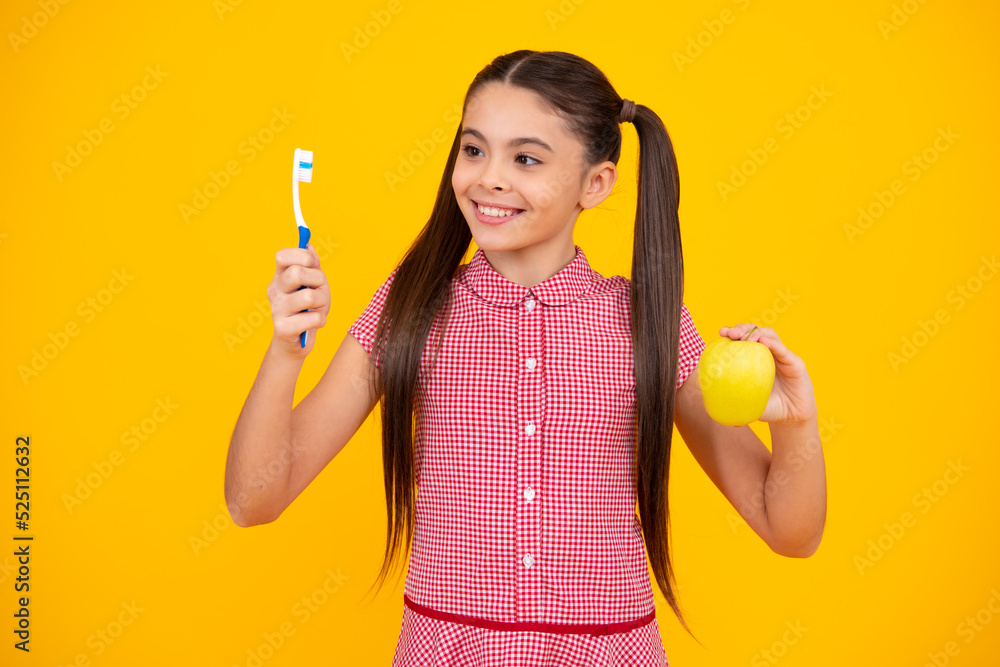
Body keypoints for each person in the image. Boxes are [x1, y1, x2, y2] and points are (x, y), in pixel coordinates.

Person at [225, 49, 827, 666]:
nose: (488, 177)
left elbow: (790, 532)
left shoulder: (651, 324)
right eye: (473, 149)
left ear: (595, 184)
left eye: (526, 159)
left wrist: (795, 421)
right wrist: (283, 351)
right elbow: (254, 500)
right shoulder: (410, 308)